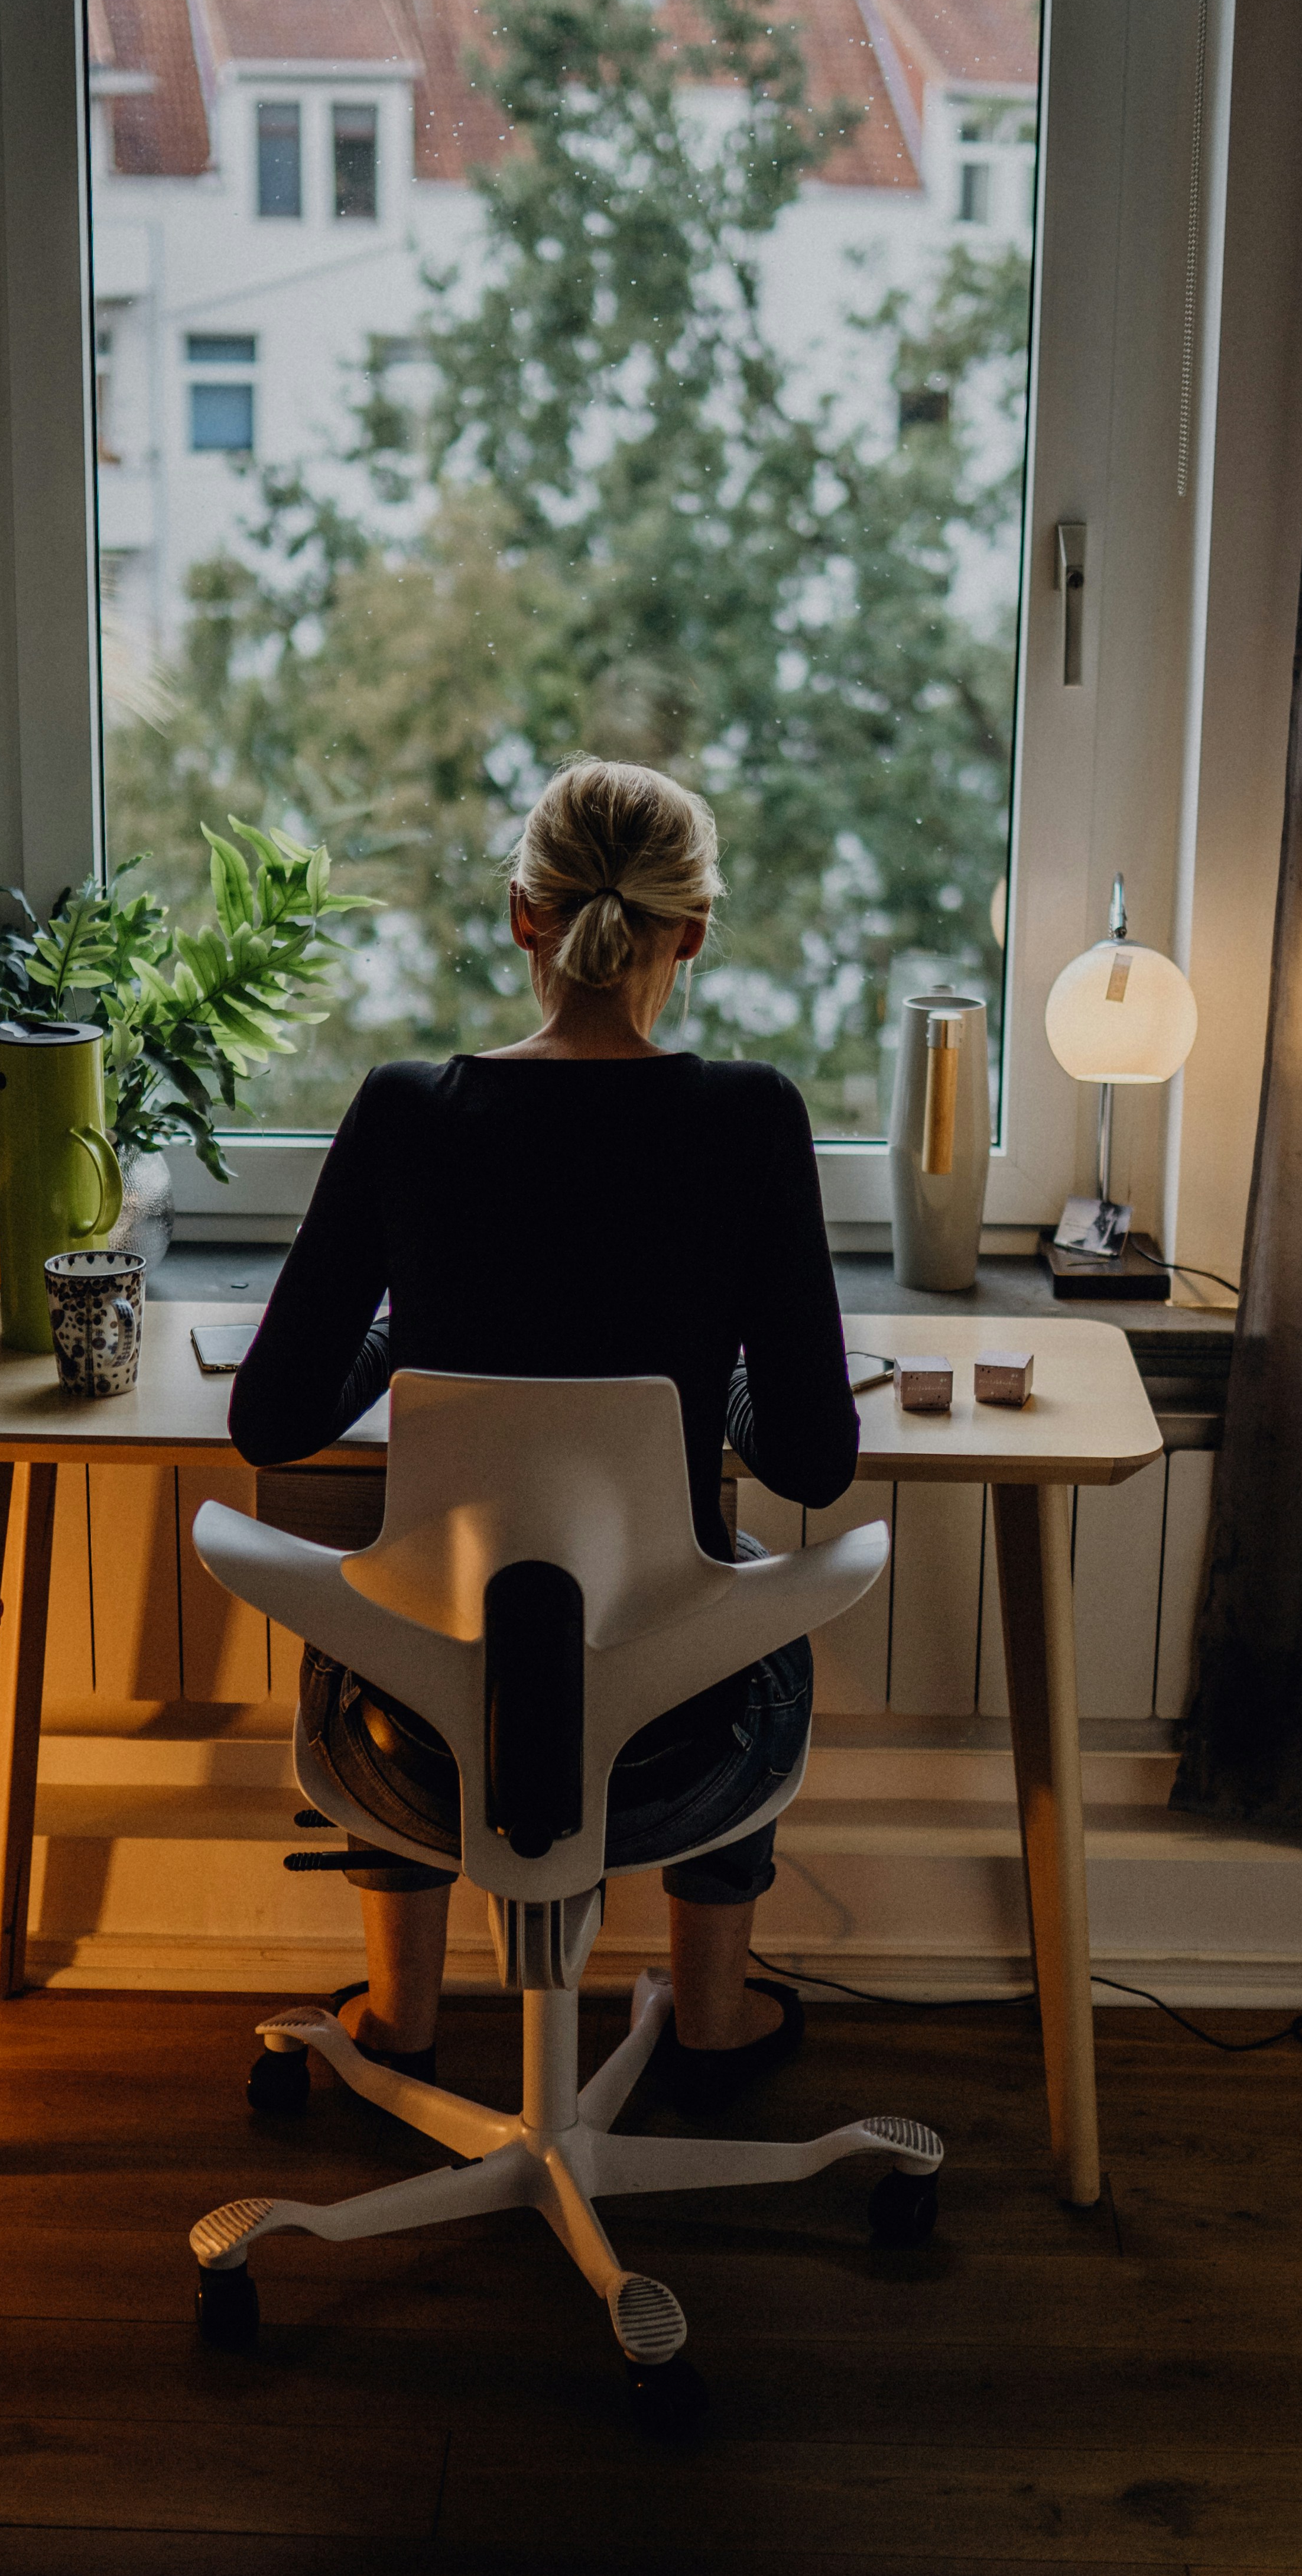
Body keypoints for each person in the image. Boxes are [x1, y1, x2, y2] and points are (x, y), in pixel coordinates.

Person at [229, 757, 860, 2104]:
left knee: (391, 1580)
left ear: (523, 913)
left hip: (423, 1739)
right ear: (691, 931)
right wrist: (717, 1388)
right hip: (678, 1744)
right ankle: (710, 2013)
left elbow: (272, 1417)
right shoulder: (753, 1119)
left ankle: (399, 2021)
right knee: (737, 1578)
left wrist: (409, 1342)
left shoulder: (408, 1110)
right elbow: (813, 1458)